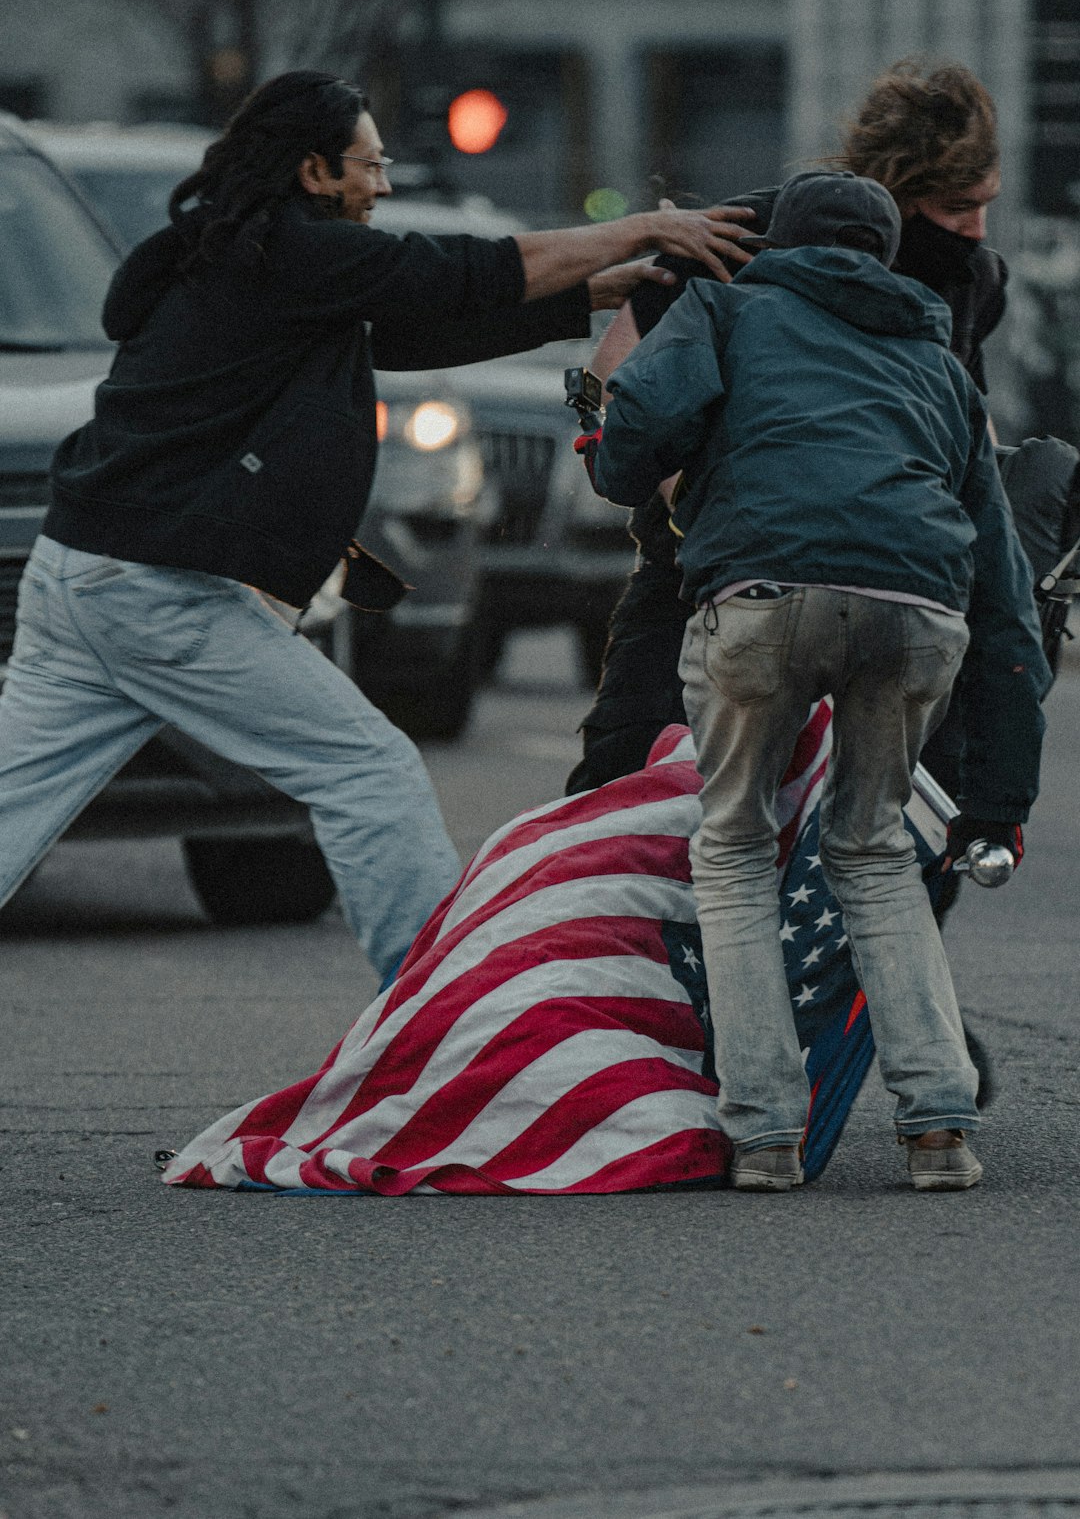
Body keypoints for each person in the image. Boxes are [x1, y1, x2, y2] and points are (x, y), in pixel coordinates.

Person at [0, 69, 760, 987]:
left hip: (82, 570)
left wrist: (589, 297)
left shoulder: (241, 261)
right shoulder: (293, 253)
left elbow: (409, 332)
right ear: (316, 172)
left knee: (14, 804)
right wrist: (645, 225)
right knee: (368, 773)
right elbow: (457, 272)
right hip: (159, 589)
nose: (385, 184)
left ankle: (434, 1007)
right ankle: (438, 1013)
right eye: (372, 164)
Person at [578, 169, 1050, 1192]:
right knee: (874, 854)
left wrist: (611, 446)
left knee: (737, 849)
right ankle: (937, 1127)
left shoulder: (725, 309)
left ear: (780, 244)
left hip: (763, 596)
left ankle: (762, 1131)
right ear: (882, 256)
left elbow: (631, 448)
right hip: (919, 610)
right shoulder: (939, 361)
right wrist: (1002, 787)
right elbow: (1004, 582)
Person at [566, 58, 1014, 798]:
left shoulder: (976, 279)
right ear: (895, 191)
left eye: (987, 202)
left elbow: (967, 425)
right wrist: (693, 501)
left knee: (928, 810)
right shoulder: (746, 232)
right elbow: (623, 364)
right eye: (958, 205)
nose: (977, 227)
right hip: (713, 562)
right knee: (625, 769)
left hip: (894, 572)